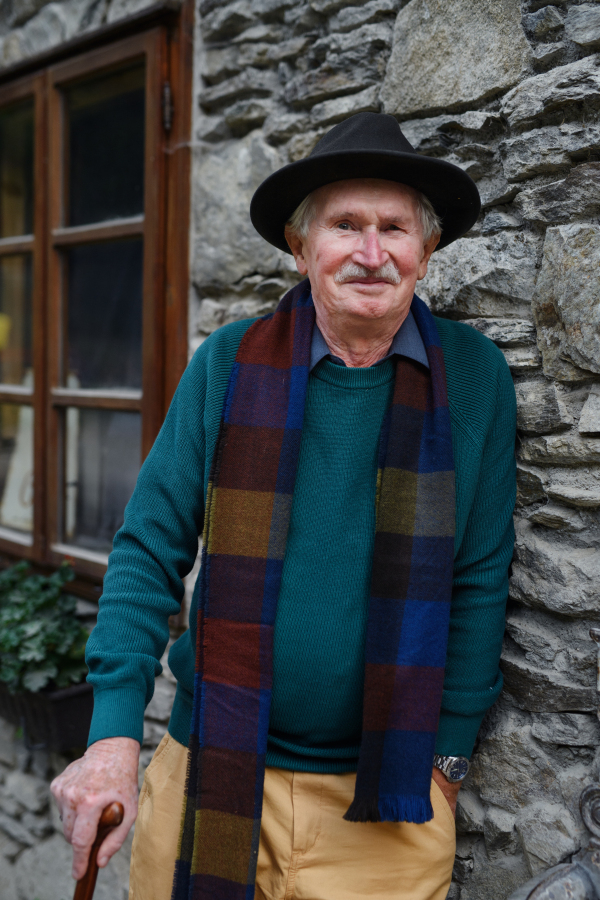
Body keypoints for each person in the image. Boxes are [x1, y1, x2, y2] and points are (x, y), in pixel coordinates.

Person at [51, 112, 516, 900]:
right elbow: (148, 548)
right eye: (345, 225)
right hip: (211, 771)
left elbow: (477, 575)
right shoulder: (228, 364)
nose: (372, 253)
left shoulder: (474, 378)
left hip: (388, 801)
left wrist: (448, 758)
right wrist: (112, 738)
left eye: (394, 228)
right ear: (301, 250)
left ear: (426, 250)